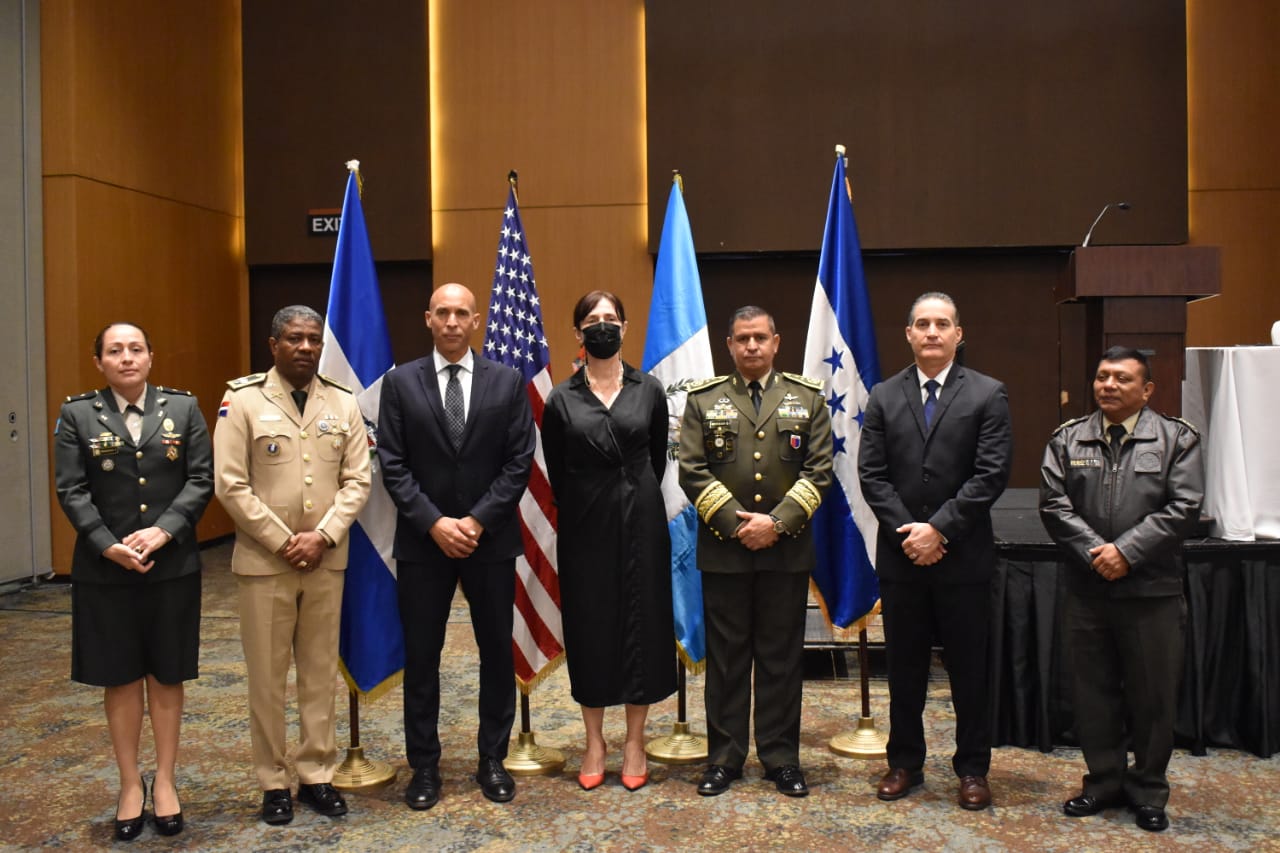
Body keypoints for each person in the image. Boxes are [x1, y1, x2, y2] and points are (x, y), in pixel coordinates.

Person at [54, 322, 213, 841]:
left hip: (172, 567)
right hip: (105, 570)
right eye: (115, 350)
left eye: (136, 349)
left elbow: (200, 479)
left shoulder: (183, 409)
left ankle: (164, 781)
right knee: (120, 677)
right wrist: (107, 544)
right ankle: (129, 784)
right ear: (99, 361)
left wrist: (164, 531)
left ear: (150, 357)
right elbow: (72, 489)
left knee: (166, 674)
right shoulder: (77, 414)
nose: (126, 358)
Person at [377, 283, 535, 809]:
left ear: (476, 320)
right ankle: (424, 766)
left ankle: (492, 758)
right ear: (428, 318)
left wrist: (476, 521)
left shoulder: (507, 381)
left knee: (496, 654)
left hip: (490, 542)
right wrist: (435, 523)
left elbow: (519, 461)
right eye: (442, 312)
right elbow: (392, 464)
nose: (451, 321)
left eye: (460, 313)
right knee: (422, 657)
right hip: (424, 545)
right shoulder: (400, 382)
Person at [213, 305, 371, 826]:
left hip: (326, 559)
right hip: (265, 563)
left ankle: (316, 774)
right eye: (294, 339)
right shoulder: (242, 399)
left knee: (320, 673)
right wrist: (284, 542)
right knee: (267, 678)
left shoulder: (342, 401)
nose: (305, 347)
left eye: (312, 339)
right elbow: (230, 483)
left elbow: (358, 480)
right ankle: (273, 781)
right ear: (273, 345)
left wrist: (322, 536)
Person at [858, 291, 1012, 811]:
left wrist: (939, 530)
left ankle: (972, 769)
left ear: (957, 334)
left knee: (969, 672)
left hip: (963, 560)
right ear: (908, 334)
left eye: (942, 324)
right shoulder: (883, 395)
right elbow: (871, 475)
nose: (931, 332)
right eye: (922, 323)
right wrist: (912, 534)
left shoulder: (988, 393)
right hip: (903, 560)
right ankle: (904, 762)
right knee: (904, 670)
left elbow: (991, 474)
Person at [1039, 346, 1203, 833]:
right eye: (1102, 376)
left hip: (1152, 591)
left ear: (1147, 389)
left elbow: (1185, 506)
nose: (1109, 385)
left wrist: (1127, 552)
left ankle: (1149, 789)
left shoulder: (1177, 438)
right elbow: (1053, 505)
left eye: (1122, 378)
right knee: (1093, 693)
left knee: (1153, 697)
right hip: (1089, 589)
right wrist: (1099, 553)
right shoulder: (1068, 438)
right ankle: (1103, 782)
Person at [678, 305, 832, 798]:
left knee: (780, 658)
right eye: (742, 338)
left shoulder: (807, 398)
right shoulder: (703, 400)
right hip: (725, 550)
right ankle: (724, 758)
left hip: (785, 552)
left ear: (776, 342)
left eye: (760, 337)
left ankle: (781, 758)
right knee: (726, 660)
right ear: (729, 344)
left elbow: (819, 471)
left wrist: (776, 524)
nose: (751, 346)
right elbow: (691, 470)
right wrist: (738, 524)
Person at [542, 290, 676, 792]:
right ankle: (594, 740)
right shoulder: (561, 398)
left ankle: (635, 741)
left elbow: (656, 460)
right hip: (585, 526)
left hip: (641, 522)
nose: (602, 326)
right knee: (591, 627)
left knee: (642, 625)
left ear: (624, 326)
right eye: (592, 320)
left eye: (610, 318)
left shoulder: (650, 390)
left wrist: (630, 494)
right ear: (578, 332)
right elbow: (557, 469)